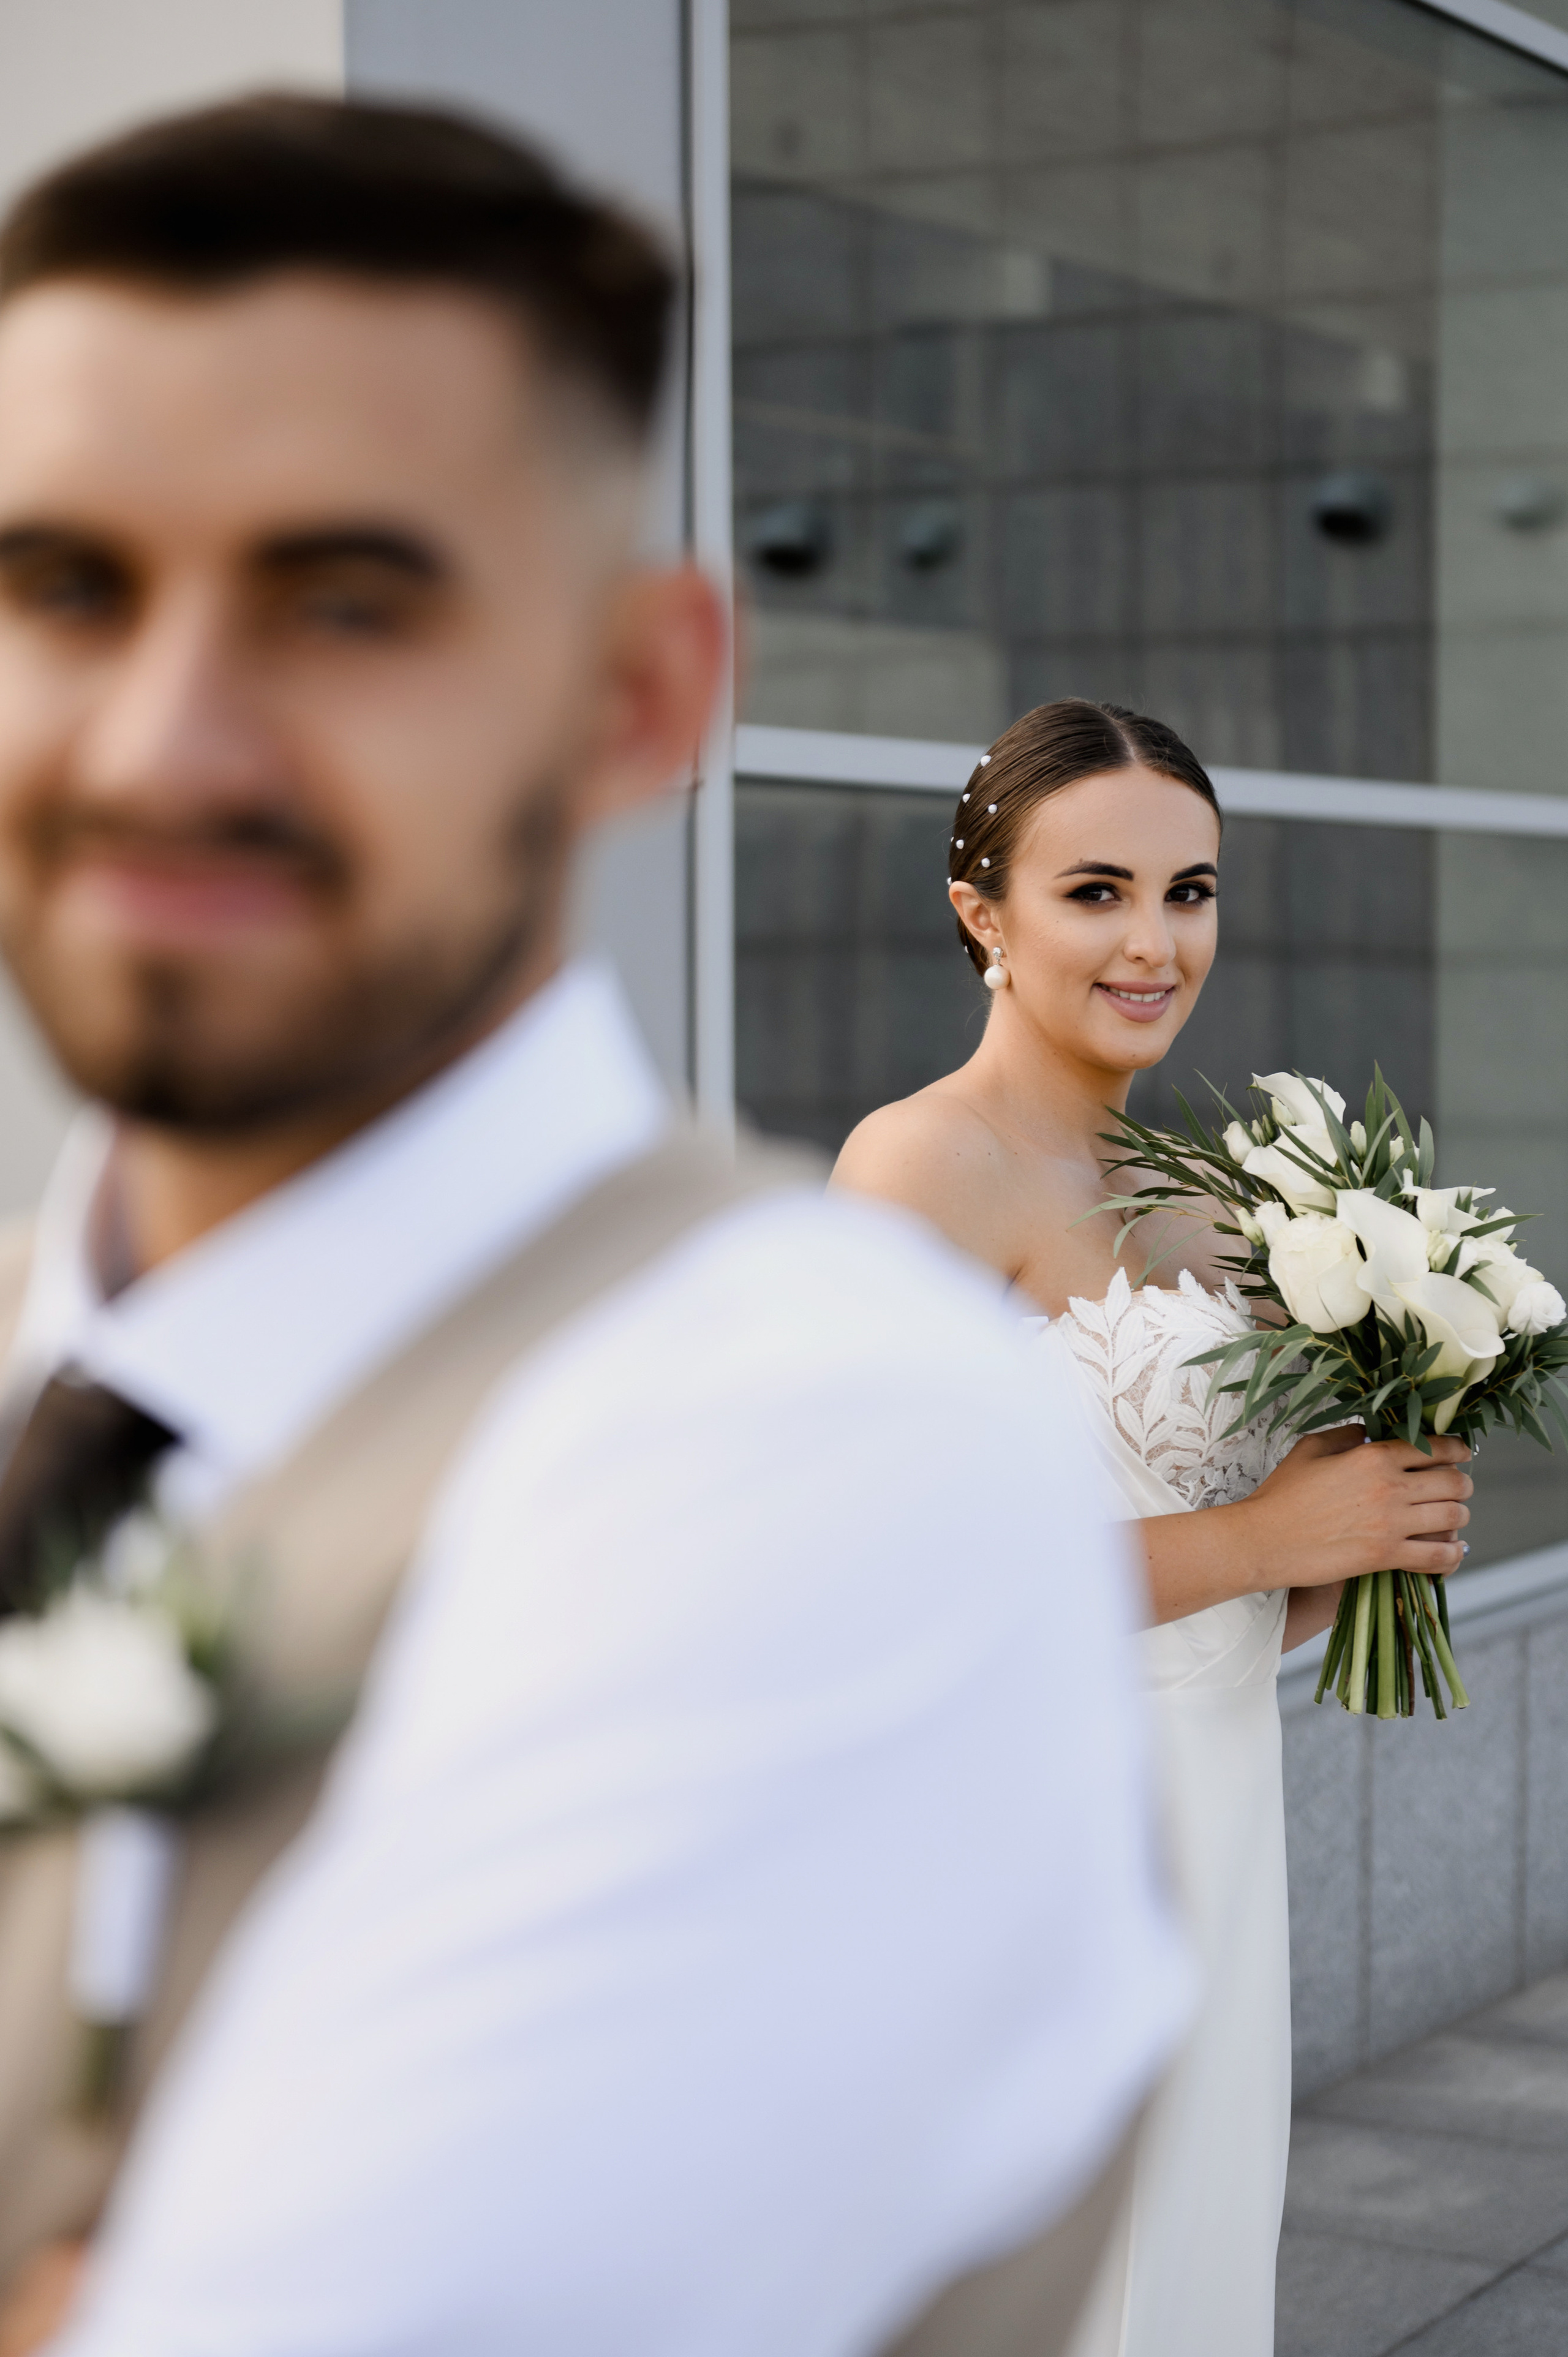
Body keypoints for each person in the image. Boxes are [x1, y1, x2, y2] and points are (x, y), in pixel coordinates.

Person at [0, 102, 1192, 2357]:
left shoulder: (821, 1442)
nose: (164, 739)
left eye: (344, 600)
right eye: (65, 586)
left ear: (639, 690)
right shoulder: (50, 1366)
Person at [833, 697, 1474, 2357]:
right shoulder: (918, 1167)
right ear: (985, 914)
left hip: (1214, 1827)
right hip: (1019, 1847)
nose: (1156, 940)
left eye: (1191, 892)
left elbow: (1254, 1595)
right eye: (1097, 891)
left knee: (1187, 2274)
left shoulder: (1215, 1196)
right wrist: (1271, 1539)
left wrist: (1361, 1536)